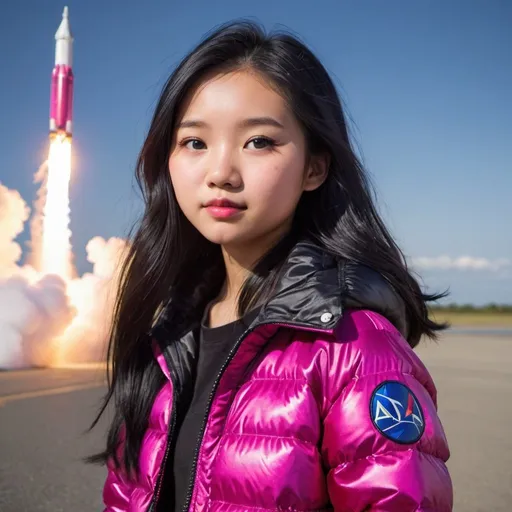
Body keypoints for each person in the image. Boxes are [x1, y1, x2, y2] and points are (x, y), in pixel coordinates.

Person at [90, 20, 453, 512]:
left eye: (258, 141)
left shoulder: (353, 346)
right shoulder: (164, 333)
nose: (220, 173)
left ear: (314, 168)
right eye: (194, 142)